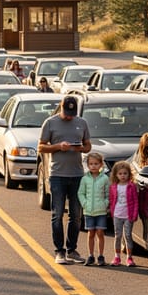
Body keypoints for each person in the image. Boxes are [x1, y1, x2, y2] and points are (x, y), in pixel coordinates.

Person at [38, 95, 92, 264]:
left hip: (76, 173)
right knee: (58, 213)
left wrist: (80, 148)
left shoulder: (81, 123)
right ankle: (59, 251)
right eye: (67, 113)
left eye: (72, 113)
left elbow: (88, 145)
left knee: (76, 215)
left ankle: (72, 249)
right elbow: (41, 146)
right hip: (57, 175)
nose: (70, 116)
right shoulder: (50, 122)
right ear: (61, 107)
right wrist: (58, 147)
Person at [78, 152, 109, 266]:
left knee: (100, 233)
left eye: (96, 164)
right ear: (88, 165)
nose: (93, 166)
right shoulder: (85, 179)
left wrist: (105, 204)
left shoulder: (105, 178)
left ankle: (101, 256)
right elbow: (81, 193)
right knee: (91, 233)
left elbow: (108, 194)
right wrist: (85, 204)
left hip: (101, 211)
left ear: (101, 165)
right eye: (91, 164)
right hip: (89, 211)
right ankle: (90, 255)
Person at [109, 160, 139, 267]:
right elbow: (112, 200)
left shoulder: (131, 186)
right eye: (120, 174)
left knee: (127, 235)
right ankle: (117, 256)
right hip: (117, 215)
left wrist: (135, 214)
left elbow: (135, 201)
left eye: (125, 173)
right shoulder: (113, 186)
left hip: (128, 215)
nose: (122, 176)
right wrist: (111, 212)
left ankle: (129, 258)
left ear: (129, 174)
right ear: (116, 175)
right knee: (118, 236)